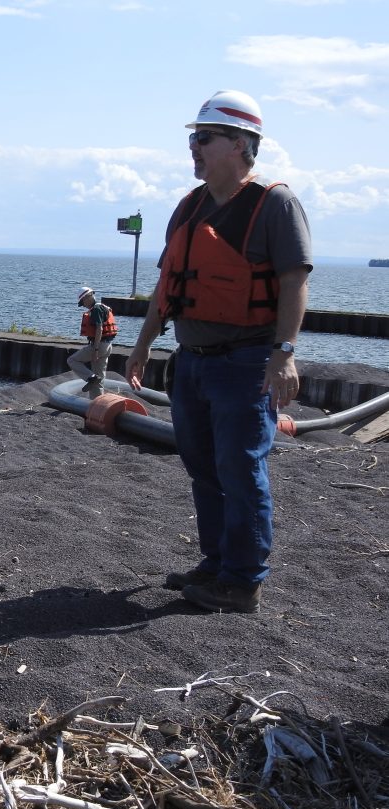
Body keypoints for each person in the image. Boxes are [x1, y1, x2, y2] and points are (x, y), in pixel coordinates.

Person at [126, 90, 312, 614]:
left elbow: (294, 281)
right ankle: (217, 563)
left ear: (240, 144)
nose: (194, 147)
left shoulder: (275, 204)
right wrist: (141, 346)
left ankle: (243, 580)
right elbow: (169, 284)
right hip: (193, 361)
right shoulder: (189, 207)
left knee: (240, 468)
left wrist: (286, 353)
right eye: (193, 138)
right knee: (203, 465)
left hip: (246, 361)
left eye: (204, 137)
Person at [67, 286, 118, 399]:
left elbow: (99, 329)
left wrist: (95, 350)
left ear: (88, 297)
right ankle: (97, 405)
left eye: (83, 302)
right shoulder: (103, 307)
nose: (83, 305)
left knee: (72, 360)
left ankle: (90, 377)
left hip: (99, 346)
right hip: (108, 346)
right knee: (98, 380)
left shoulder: (96, 310)